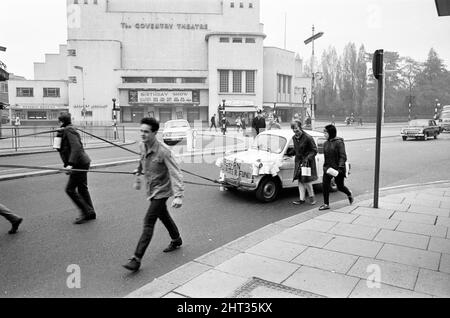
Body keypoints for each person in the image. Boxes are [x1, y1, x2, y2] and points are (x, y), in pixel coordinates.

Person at [123, 117, 184, 272]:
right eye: (141, 131)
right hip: (152, 189)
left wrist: (178, 195)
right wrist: (138, 170)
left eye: (146, 132)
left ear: (155, 133)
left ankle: (136, 259)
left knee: (149, 220)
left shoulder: (164, 151)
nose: (143, 134)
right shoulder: (142, 145)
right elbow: (142, 159)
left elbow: (175, 172)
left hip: (162, 190)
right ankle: (176, 239)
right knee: (163, 215)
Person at [56, 112, 96, 224]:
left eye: (59, 121)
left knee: (70, 189)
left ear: (62, 121)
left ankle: (86, 211)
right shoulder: (65, 130)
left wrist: (70, 164)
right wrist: (59, 134)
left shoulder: (69, 130)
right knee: (82, 188)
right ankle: (91, 212)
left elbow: (76, 147)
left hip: (79, 164)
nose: (58, 124)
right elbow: (58, 147)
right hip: (81, 163)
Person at [319, 124, 353, 211]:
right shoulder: (325, 143)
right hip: (328, 168)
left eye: (325, 133)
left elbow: (343, 156)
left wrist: (340, 168)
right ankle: (326, 204)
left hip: (338, 169)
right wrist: (325, 167)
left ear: (330, 132)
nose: (324, 134)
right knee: (325, 185)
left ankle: (349, 193)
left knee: (340, 186)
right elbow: (326, 157)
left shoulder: (339, 142)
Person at [291, 120, 318, 206]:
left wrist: (307, 159)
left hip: (307, 163)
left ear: (300, 127)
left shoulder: (308, 137)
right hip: (298, 162)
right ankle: (301, 199)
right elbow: (296, 149)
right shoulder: (294, 138)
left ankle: (312, 198)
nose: (295, 132)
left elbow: (314, 150)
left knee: (307, 181)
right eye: (293, 130)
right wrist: (289, 152)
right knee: (300, 181)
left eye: (297, 129)